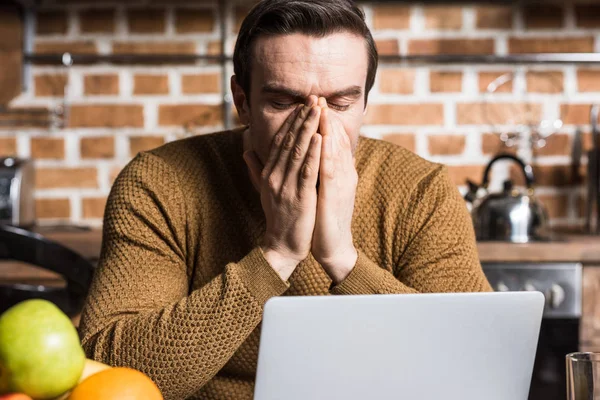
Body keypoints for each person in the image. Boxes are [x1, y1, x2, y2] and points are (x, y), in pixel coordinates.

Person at [78, 0, 492, 399]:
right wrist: (277, 253)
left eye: (341, 103)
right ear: (243, 102)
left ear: (365, 102)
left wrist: (344, 259)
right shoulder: (159, 182)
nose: (316, 127)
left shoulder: (421, 189)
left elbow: (476, 363)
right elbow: (110, 373)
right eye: (282, 102)